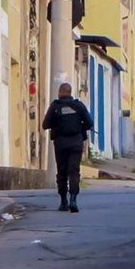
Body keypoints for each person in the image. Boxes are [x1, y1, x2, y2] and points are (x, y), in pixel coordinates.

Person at [42, 83, 93, 213]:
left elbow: (45, 124)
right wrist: (79, 127)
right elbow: (90, 123)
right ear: (70, 93)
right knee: (74, 172)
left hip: (60, 143)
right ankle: (73, 199)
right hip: (76, 142)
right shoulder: (79, 106)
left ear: (59, 92)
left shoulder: (55, 106)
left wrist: (57, 123)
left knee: (62, 172)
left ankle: (63, 201)